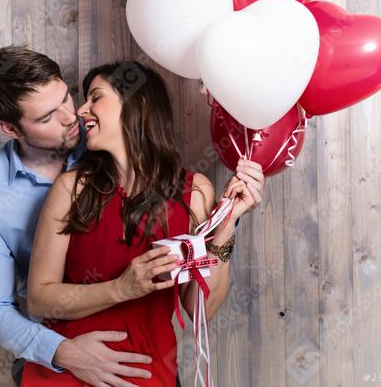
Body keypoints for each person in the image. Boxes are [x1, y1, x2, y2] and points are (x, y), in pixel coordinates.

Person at [21, 61, 265, 386]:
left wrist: (226, 225)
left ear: (138, 103)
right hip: (70, 372)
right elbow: (40, 298)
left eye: (96, 97)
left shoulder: (194, 192)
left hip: (147, 375)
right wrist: (121, 288)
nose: (82, 110)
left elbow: (199, 311)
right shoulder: (72, 187)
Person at [0, 47, 158, 386]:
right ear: (10, 128)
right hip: (57, 352)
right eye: (46, 117)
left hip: (139, 340)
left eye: (66, 98)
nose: (71, 117)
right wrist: (63, 352)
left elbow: (167, 189)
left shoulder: (105, 138)